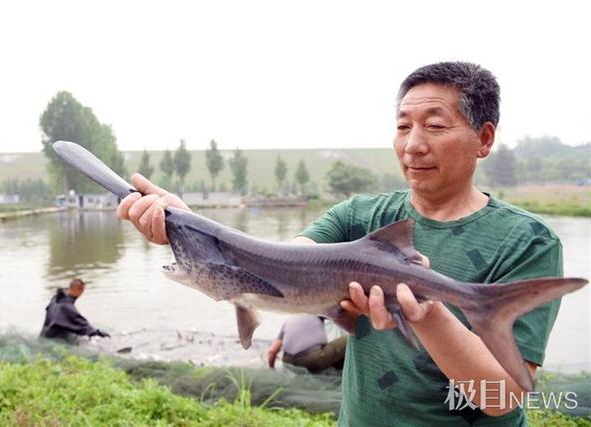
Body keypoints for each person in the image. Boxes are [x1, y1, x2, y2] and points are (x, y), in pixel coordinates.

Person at [116, 62, 563, 426]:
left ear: (484, 139)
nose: (413, 146)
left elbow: (502, 398)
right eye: (403, 126)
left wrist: (427, 312)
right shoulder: (360, 217)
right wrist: (186, 225)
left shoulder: (527, 241)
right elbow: (280, 260)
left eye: (435, 126)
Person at [267, 314, 346, 373]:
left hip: (289, 363)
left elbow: (272, 352)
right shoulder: (316, 312)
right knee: (349, 338)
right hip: (313, 360)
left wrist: (272, 370)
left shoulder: (289, 320)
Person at [40, 278, 110, 343]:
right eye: (82, 291)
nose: (81, 294)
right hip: (52, 340)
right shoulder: (67, 306)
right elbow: (81, 323)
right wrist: (98, 333)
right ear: (78, 290)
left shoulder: (55, 299)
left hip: (43, 335)